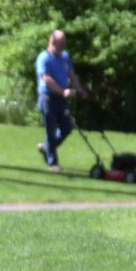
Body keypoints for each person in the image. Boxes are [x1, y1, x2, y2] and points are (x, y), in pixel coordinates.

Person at [35, 30, 85, 171]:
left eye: (64, 43)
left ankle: (46, 148)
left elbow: (71, 75)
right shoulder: (44, 58)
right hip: (48, 98)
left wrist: (79, 89)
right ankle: (53, 163)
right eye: (60, 43)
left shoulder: (65, 57)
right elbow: (46, 79)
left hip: (62, 100)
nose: (63, 46)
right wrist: (63, 91)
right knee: (51, 131)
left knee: (67, 128)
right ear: (52, 42)